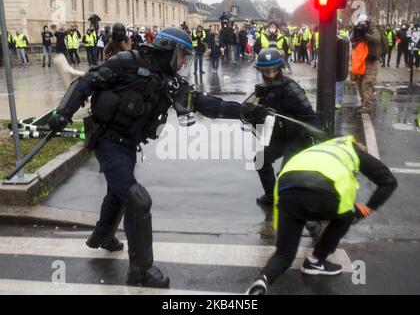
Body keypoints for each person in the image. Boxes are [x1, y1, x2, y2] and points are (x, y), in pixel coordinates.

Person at [48, 27, 269, 288]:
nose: (185, 61)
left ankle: (102, 236)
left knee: (119, 191)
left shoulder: (171, 82)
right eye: (182, 55)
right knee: (137, 199)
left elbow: (207, 104)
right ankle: (141, 270)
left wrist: (245, 111)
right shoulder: (126, 62)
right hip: (107, 141)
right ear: (169, 49)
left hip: (129, 144)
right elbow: (84, 82)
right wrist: (63, 112)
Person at [246, 136, 398, 295]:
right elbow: (389, 181)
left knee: (284, 255)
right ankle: (316, 260)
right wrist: (366, 209)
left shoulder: (318, 149)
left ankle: (263, 279)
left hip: (287, 189)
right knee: (347, 215)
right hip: (322, 192)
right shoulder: (353, 150)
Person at [251, 48, 322, 237]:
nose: (270, 75)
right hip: (279, 138)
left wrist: (317, 137)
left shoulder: (292, 89)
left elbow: (311, 117)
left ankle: (310, 220)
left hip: (299, 138)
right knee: (260, 160)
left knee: (288, 177)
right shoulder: (263, 89)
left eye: (273, 70)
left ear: (280, 68)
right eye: (266, 71)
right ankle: (271, 195)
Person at [351, 14, 381, 114]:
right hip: (362, 59)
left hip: (372, 60)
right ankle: (364, 102)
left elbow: (377, 40)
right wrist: (356, 31)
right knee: (359, 81)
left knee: (367, 82)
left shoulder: (373, 28)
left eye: (363, 24)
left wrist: (365, 34)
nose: (362, 26)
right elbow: (352, 40)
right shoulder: (358, 28)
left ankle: (367, 106)